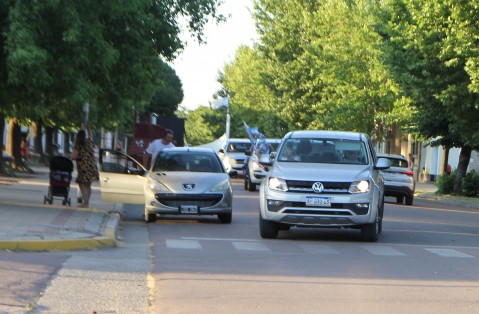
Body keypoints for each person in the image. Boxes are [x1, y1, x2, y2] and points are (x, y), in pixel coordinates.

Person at [71, 123, 99, 208]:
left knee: (81, 184)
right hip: (92, 166)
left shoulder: (78, 145)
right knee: (88, 185)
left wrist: (75, 157)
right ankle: (87, 202)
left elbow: (73, 157)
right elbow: (91, 135)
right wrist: (88, 127)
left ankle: (85, 202)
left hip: (83, 168)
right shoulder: (89, 142)